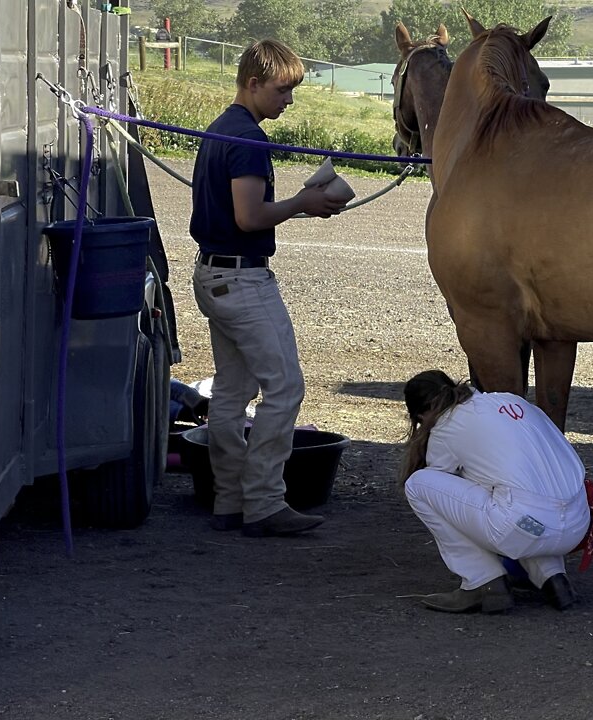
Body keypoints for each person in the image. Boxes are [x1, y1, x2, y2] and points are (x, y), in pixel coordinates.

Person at [190, 39, 346, 537]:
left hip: (214, 274)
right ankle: (263, 502)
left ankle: (229, 500)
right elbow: (249, 216)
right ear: (253, 84)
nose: (289, 101)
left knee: (233, 392)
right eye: (283, 90)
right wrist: (304, 202)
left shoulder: (221, 129)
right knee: (284, 386)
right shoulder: (249, 140)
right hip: (242, 278)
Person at [399, 370, 591, 614]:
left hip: (526, 528)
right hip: (577, 524)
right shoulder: (511, 400)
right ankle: (553, 578)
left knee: (419, 485)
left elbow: (445, 483)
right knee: (525, 496)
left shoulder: (445, 425)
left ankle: (482, 581)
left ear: (421, 414)